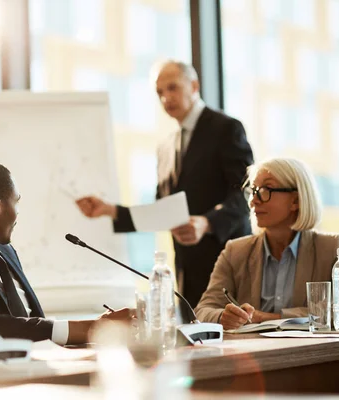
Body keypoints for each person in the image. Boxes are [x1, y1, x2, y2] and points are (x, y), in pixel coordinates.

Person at [76, 60, 254, 309]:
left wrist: (208, 222)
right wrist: (109, 210)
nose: (165, 98)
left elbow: (245, 191)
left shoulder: (227, 129)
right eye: (159, 92)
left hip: (229, 265)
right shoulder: (166, 147)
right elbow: (161, 212)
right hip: (186, 272)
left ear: (194, 86)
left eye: (172, 88)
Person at [0, 160, 132, 345]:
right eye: (16, 202)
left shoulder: (5, 252)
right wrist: (93, 328)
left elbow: (31, 322)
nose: (17, 214)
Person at [194, 158, 339, 329]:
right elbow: (202, 311)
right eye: (253, 190)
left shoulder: (332, 248)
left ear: (295, 201)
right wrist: (222, 317)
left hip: (311, 355)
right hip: (255, 353)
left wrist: (273, 318)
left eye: (265, 190)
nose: (254, 201)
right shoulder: (235, 251)